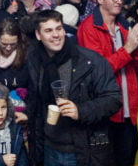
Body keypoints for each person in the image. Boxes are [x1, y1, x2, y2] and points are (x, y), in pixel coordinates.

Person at [28, 10, 122, 165]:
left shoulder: (90, 61)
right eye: (48, 30)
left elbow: (113, 99)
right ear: (38, 35)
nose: (56, 35)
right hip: (49, 147)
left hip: (81, 149)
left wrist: (81, 111)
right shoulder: (34, 60)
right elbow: (36, 100)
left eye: (59, 28)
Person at [77, 0, 138, 166]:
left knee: (127, 159)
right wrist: (128, 48)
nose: (119, 1)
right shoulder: (89, 28)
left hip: (129, 107)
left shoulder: (124, 25)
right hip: (106, 111)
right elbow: (98, 71)